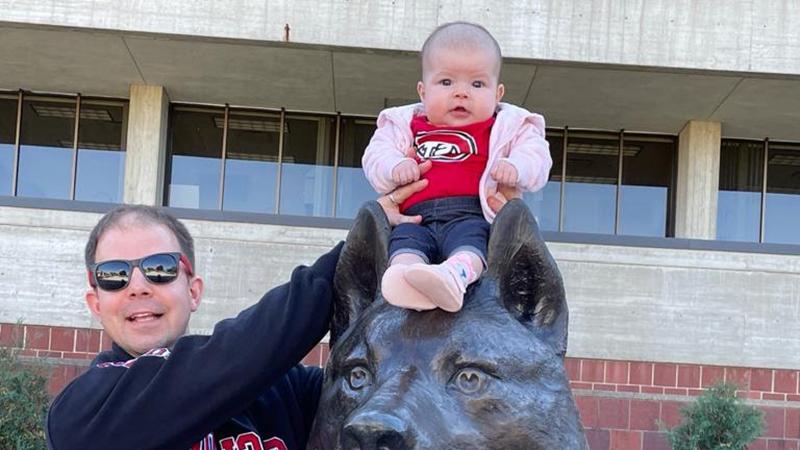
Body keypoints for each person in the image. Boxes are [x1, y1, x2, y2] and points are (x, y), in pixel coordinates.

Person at [45, 180, 427, 450]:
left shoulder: (284, 392)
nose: (138, 286)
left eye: (160, 268)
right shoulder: (82, 415)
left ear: (193, 291)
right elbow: (229, 358)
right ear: (95, 302)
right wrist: (357, 246)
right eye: (113, 275)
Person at [362, 21, 552, 313]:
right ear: (423, 91)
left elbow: (537, 155)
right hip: (416, 217)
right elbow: (375, 155)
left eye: (477, 84)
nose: (462, 93)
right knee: (403, 246)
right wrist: (394, 165)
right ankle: (405, 280)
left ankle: (454, 276)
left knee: (472, 245)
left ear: (498, 93)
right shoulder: (404, 124)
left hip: (470, 213)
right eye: (447, 82)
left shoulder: (506, 127)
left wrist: (517, 166)